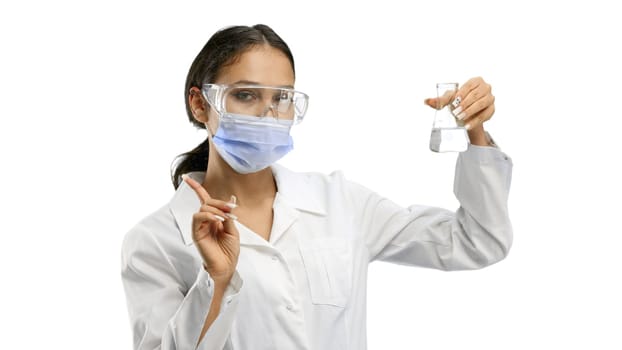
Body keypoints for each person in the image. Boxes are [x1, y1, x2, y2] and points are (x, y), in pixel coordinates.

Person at [121, 24, 513, 350]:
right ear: (200, 104)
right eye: (245, 95)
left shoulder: (341, 204)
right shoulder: (155, 242)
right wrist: (216, 282)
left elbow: (478, 241)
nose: (268, 113)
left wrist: (474, 130)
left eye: (283, 98)